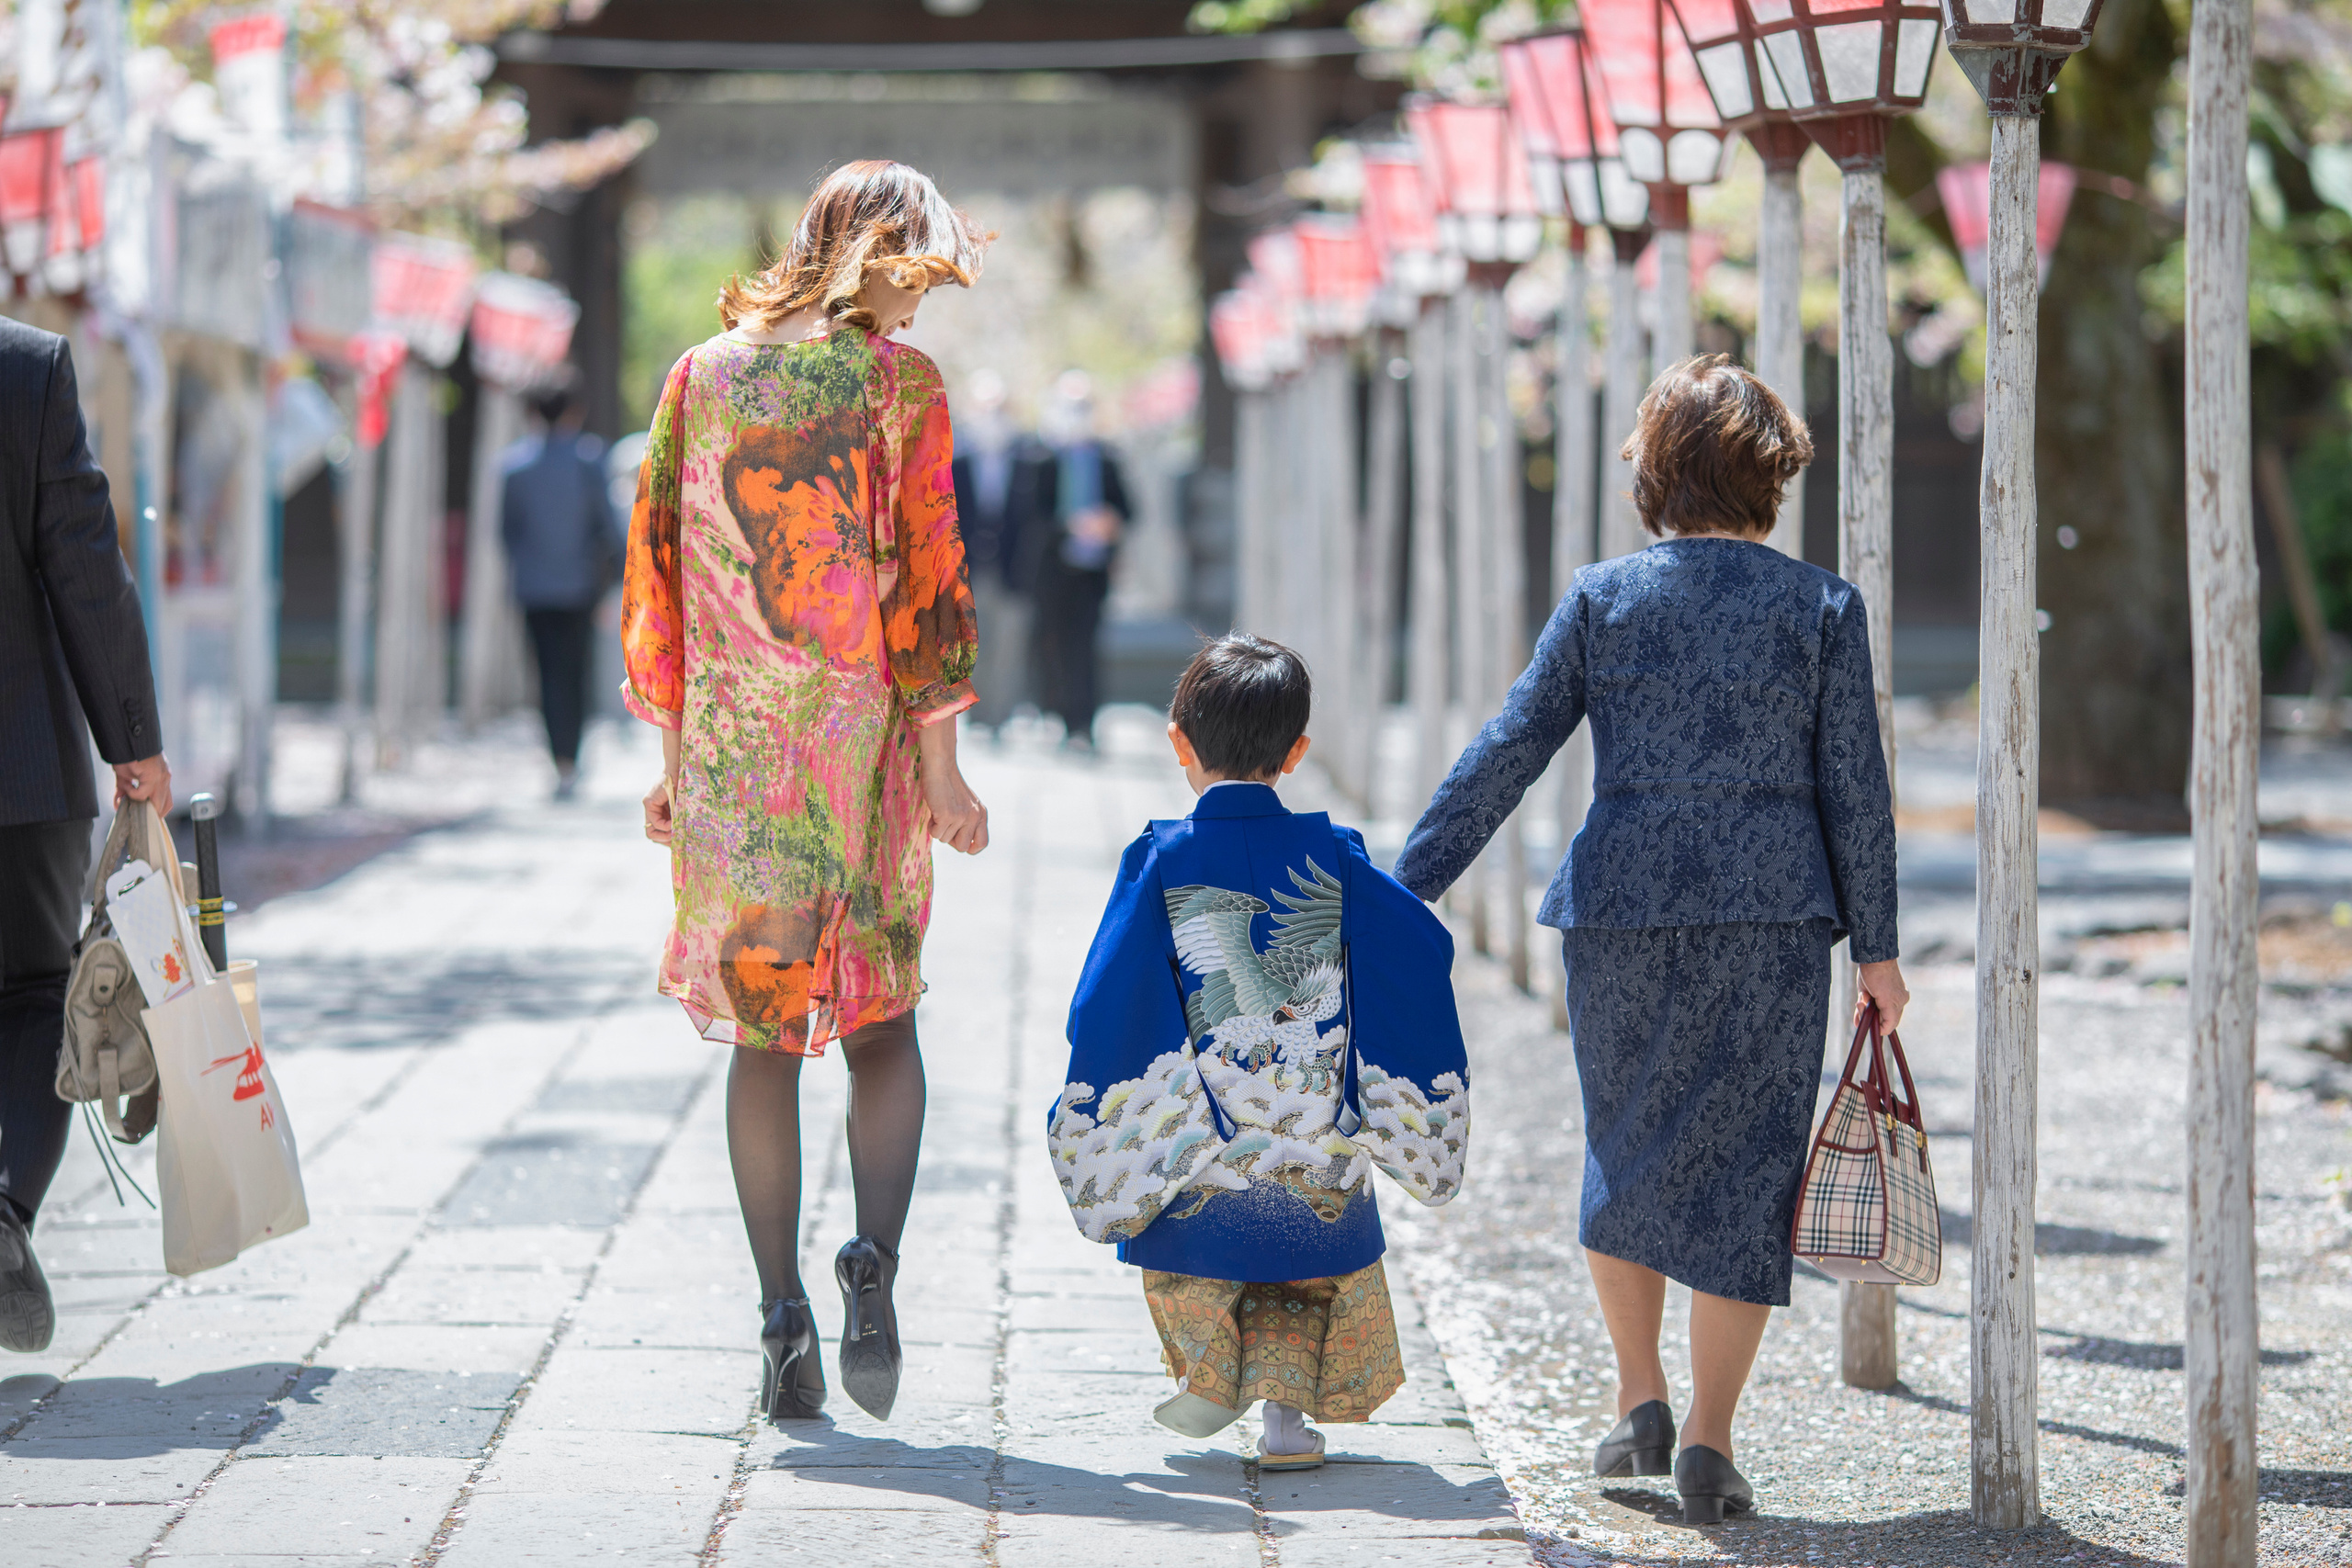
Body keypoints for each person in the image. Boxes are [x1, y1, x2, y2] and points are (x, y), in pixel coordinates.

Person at [1394, 355, 1903, 1527]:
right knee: (1750, 1170)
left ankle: (1639, 1400)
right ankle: (1711, 1442)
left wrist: (1407, 883)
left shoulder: (1603, 597)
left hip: (1621, 906)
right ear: (1769, 475)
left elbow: (1510, 746)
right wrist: (1876, 950)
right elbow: (1856, 792)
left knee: (1623, 1145)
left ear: (1657, 474)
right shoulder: (1821, 607)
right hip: (1771, 913)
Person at [626, 160, 990, 1426]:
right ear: (879, 254)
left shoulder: (699, 377)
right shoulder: (899, 386)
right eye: (920, 273)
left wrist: (672, 768)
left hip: (736, 766)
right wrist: (945, 776)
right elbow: (928, 588)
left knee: (764, 1041)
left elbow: (662, 581)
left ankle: (780, 1312)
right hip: (864, 758)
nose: (923, 303)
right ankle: (870, 1262)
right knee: (883, 1025)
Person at [1048, 634, 1470, 1470]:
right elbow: (1421, 945)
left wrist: (1108, 1070)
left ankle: (1211, 1376)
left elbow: (1106, 991)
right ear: (1297, 751)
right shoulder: (1336, 856)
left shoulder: (1161, 858)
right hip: (1311, 1112)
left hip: (1206, 1114)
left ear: (1179, 743)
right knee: (1301, 1270)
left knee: (1203, 1250)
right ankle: (1285, 1420)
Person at [0, 317, 171, 1354]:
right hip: (23, 765)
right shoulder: (27, 368)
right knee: (32, 993)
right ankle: (5, 1207)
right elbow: (85, 567)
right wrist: (132, 741)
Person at [501, 378, 622, 800]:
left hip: (534, 588)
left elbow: (507, 533)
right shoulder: (590, 461)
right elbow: (608, 528)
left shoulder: (514, 467)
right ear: (574, 412)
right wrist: (614, 583)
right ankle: (572, 757)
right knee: (576, 671)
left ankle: (559, 759)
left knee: (546, 673)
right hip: (580, 586)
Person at [1016, 370, 1129, 750]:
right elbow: (1030, 513)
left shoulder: (1107, 457)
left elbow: (1128, 508)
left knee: (1086, 648)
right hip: (1051, 571)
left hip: (1092, 573)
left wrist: (1109, 522)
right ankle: (1052, 714)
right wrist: (1069, 525)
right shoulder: (1041, 457)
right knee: (1049, 645)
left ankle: (1083, 722)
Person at [948, 369, 1035, 735]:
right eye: (985, 407)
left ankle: (1001, 716)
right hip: (967, 568)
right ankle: (976, 716)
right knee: (970, 642)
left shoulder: (1028, 457)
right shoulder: (955, 458)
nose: (992, 416)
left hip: (1013, 569)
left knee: (1010, 643)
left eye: (999, 408)